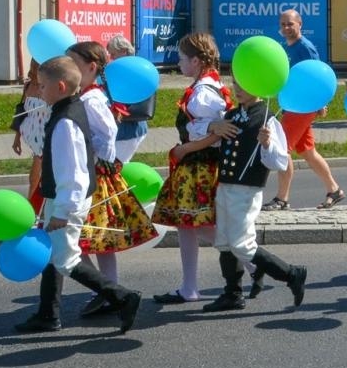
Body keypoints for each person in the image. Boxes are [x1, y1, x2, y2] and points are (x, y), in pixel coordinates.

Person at [12, 57, 142, 334]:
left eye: (43, 85)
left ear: (60, 86)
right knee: (52, 254)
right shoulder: (70, 108)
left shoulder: (65, 123)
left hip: (66, 202)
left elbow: (74, 173)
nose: (40, 90)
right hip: (59, 199)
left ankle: (123, 297)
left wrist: (62, 212)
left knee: (67, 260)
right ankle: (48, 314)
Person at [199, 71, 308, 312]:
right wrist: (213, 126)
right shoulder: (231, 115)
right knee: (224, 242)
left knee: (242, 245)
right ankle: (232, 293)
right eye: (236, 83)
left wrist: (268, 144)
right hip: (226, 186)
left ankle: (292, 274)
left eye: (244, 84)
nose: (238, 89)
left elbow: (279, 162)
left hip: (247, 189)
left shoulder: (266, 119)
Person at [66, 42, 159, 315]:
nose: (69, 67)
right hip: (95, 172)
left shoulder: (91, 98)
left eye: (74, 62)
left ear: (91, 67)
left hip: (94, 175)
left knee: (78, 240)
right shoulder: (87, 95)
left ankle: (107, 289)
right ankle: (109, 289)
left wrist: (99, 160)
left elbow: (107, 133)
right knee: (101, 241)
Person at [150, 32, 229, 303]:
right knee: (188, 225)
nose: (179, 63)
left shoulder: (203, 92)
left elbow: (217, 133)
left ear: (196, 61)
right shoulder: (206, 86)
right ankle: (189, 286)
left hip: (199, 166)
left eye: (182, 58)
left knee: (202, 226)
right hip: (195, 165)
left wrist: (184, 148)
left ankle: (255, 262)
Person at [273, 9, 345, 210]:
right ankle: (334, 190)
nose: (286, 28)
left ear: (300, 24)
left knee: (282, 147)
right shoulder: (285, 47)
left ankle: (282, 198)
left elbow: (319, 76)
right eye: (283, 24)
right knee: (307, 151)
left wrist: (321, 103)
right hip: (292, 104)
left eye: (290, 24)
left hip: (302, 107)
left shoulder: (306, 48)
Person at [104, 35, 154, 165]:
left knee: (115, 166)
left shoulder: (131, 70)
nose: (112, 58)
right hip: (130, 127)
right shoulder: (133, 68)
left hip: (129, 129)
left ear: (124, 51)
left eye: (114, 54)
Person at [10, 61, 49, 213]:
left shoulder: (48, 86)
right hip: (32, 134)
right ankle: (32, 207)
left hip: (46, 134)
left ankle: (35, 207)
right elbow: (22, 111)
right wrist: (16, 137)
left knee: (38, 174)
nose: (36, 67)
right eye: (34, 64)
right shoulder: (28, 85)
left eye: (39, 65)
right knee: (36, 175)